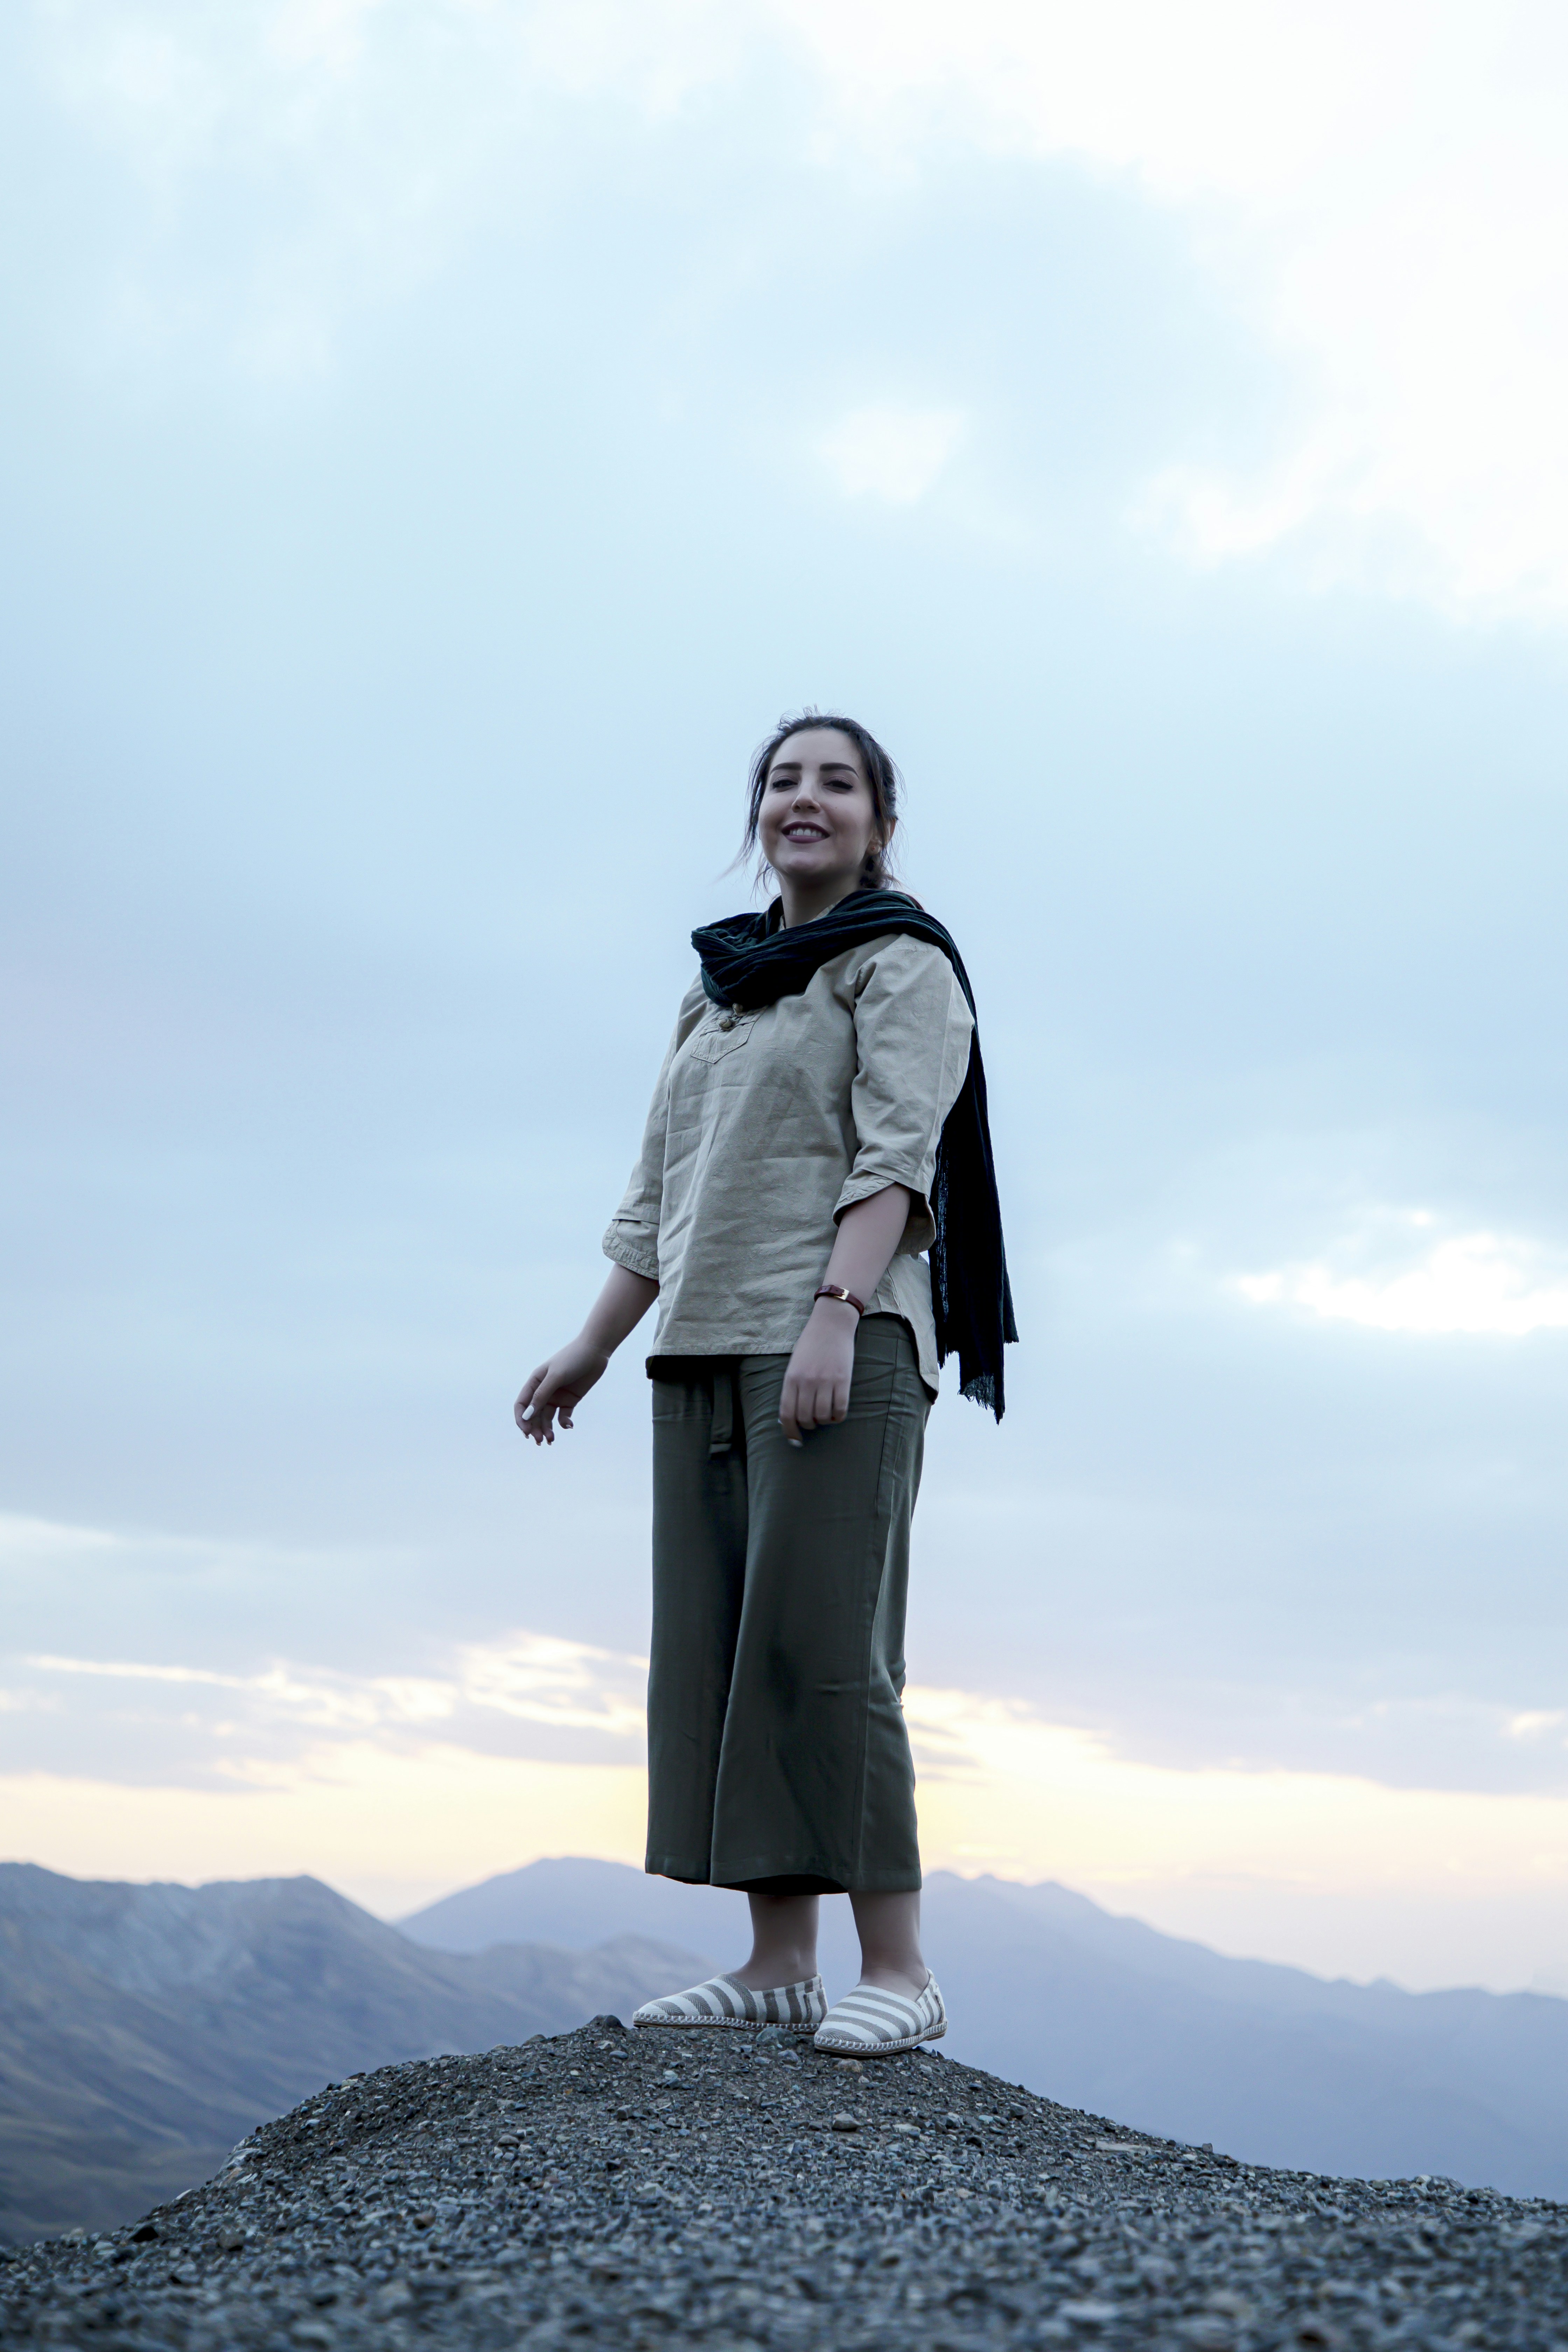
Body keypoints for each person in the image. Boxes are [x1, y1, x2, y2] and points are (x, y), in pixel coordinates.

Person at [514, 712, 1015, 2056]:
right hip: (702, 1344)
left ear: (880, 823)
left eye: (836, 783)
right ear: (759, 814)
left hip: (838, 1340)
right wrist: (594, 1342)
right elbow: (658, 1193)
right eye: (783, 780)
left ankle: (900, 1968)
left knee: (830, 1649)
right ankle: (780, 1962)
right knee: (731, 1649)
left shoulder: (899, 963)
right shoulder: (720, 987)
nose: (806, 799)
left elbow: (898, 1155)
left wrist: (836, 1314)